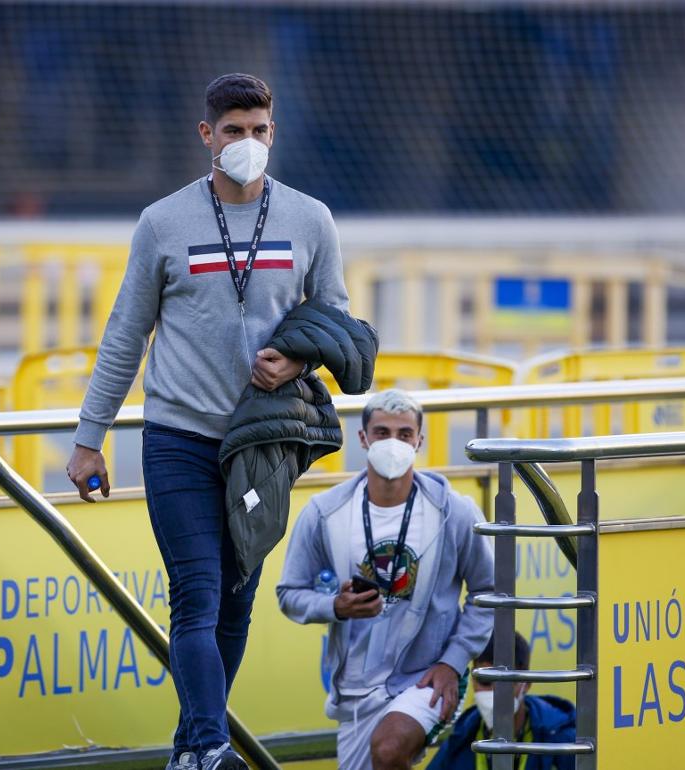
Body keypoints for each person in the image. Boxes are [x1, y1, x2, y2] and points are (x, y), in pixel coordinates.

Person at [66, 73, 351, 770]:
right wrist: (88, 438)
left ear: (272, 133)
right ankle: (211, 745)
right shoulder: (162, 222)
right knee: (194, 594)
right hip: (178, 438)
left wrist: (296, 362)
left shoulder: (311, 219)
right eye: (232, 131)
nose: (246, 143)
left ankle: (192, 752)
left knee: (234, 604)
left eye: (257, 130)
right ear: (206, 136)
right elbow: (125, 334)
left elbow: (338, 320)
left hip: (263, 445)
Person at [276, 389, 495, 770]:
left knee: (390, 749)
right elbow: (289, 594)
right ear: (363, 439)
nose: (393, 442)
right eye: (381, 432)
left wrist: (453, 661)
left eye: (404, 433)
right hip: (356, 686)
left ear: (419, 441)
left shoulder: (453, 512)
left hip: (427, 675)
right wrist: (334, 607)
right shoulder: (326, 514)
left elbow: (488, 591)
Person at [427, 632, 577, 770]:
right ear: (472, 680)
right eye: (484, 680)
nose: (494, 692)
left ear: (526, 683)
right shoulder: (458, 741)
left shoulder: (564, 742)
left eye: (504, 682)